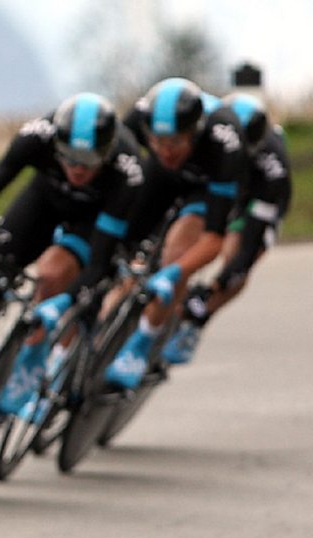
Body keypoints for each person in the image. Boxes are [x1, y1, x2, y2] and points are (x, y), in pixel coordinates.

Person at [0, 92, 144, 425]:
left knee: (52, 275)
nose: (77, 169)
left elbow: (98, 262)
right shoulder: (37, 136)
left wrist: (65, 301)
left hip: (92, 220)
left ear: (106, 153)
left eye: (88, 161)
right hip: (44, 201)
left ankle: (36, 357)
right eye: (69, 158)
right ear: (57, 145)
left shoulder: (127, 170)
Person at [104, 78, 247, 389]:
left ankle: (145, 340)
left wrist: (176, 272)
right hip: (161, 177)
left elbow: (214, 240)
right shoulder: (140, 119)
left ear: (195, 132)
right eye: (157, 141)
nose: (166, 150)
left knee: (177, 250)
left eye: (175, 142)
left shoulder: (224, 139)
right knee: (118, 238)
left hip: (205, 186)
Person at [161, 93, 291, 364]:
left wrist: (214, 286)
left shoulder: (273, 169)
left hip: (257, 198)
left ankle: (199, 318)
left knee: (236, 254)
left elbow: (248, 248)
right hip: (222, 184)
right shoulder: (213, 130)